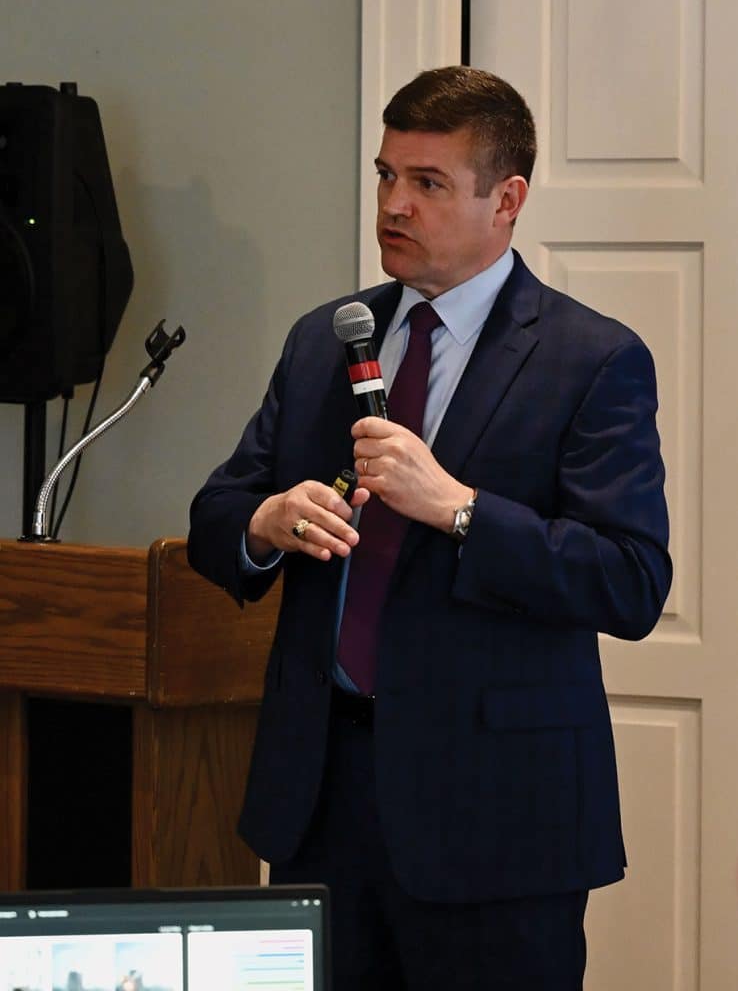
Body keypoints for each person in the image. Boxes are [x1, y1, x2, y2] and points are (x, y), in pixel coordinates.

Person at [188, 66, 672, 990]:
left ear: (508, 200)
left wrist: (459, 508)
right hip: (321, 801)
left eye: (429, 183)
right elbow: (217, 515)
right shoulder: (324, 338)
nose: (394, 205)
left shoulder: (592, 359)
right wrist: (267, 520)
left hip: (495, 824)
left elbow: (630, 580)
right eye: (385, 176)